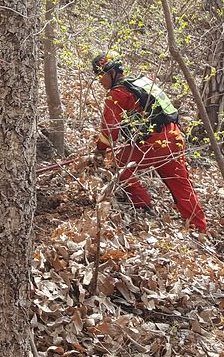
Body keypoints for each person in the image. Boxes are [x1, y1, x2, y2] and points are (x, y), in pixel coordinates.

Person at [89, 52, 208, 233]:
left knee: (120, 162)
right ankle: (199, 227)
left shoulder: (117, 94)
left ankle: (142, 204)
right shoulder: (143, 81)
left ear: (110, 73)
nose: (99, 81)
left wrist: (99, 150)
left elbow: (109, 132)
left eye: (100, 76)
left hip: (155, 143)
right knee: (181, 184)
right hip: (174, 137)